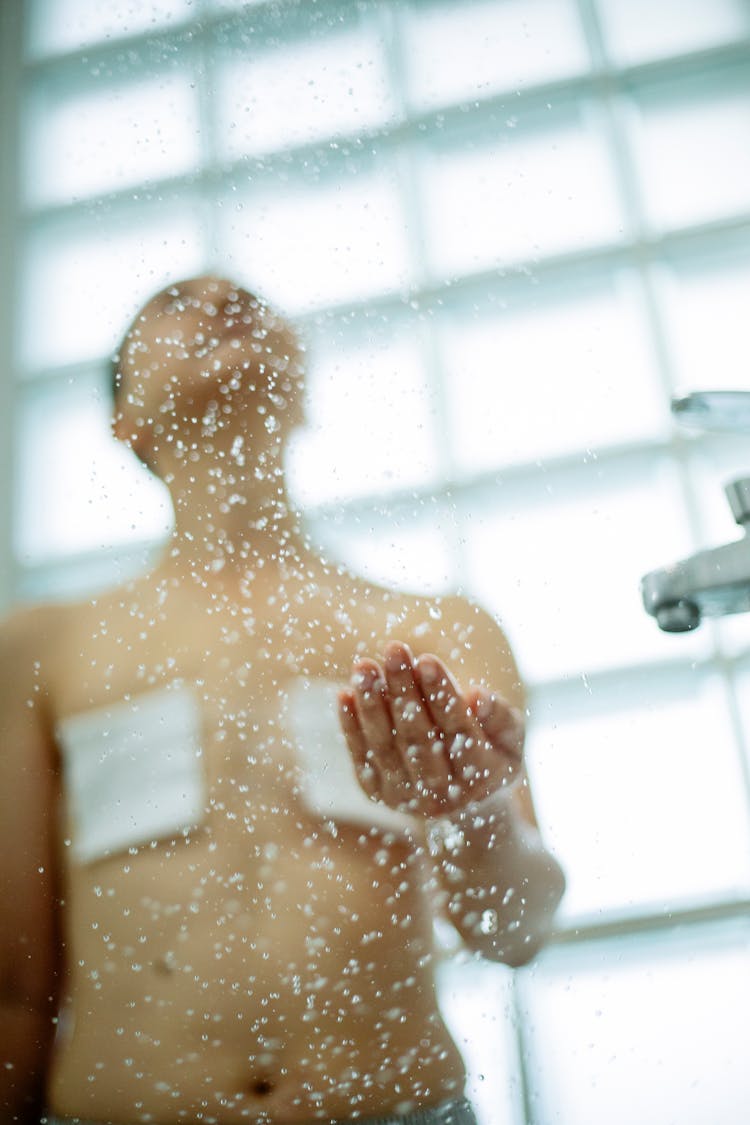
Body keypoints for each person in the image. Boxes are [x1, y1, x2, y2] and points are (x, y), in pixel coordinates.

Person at [0, 275, 565, 1125]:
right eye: (177, 298)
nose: (224, 301)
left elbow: (517, 933)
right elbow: (13, 986)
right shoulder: (47, 648)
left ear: (303, 395)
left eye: (245, 299)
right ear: (128, 422)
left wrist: (474, 815)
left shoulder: (435, 631)